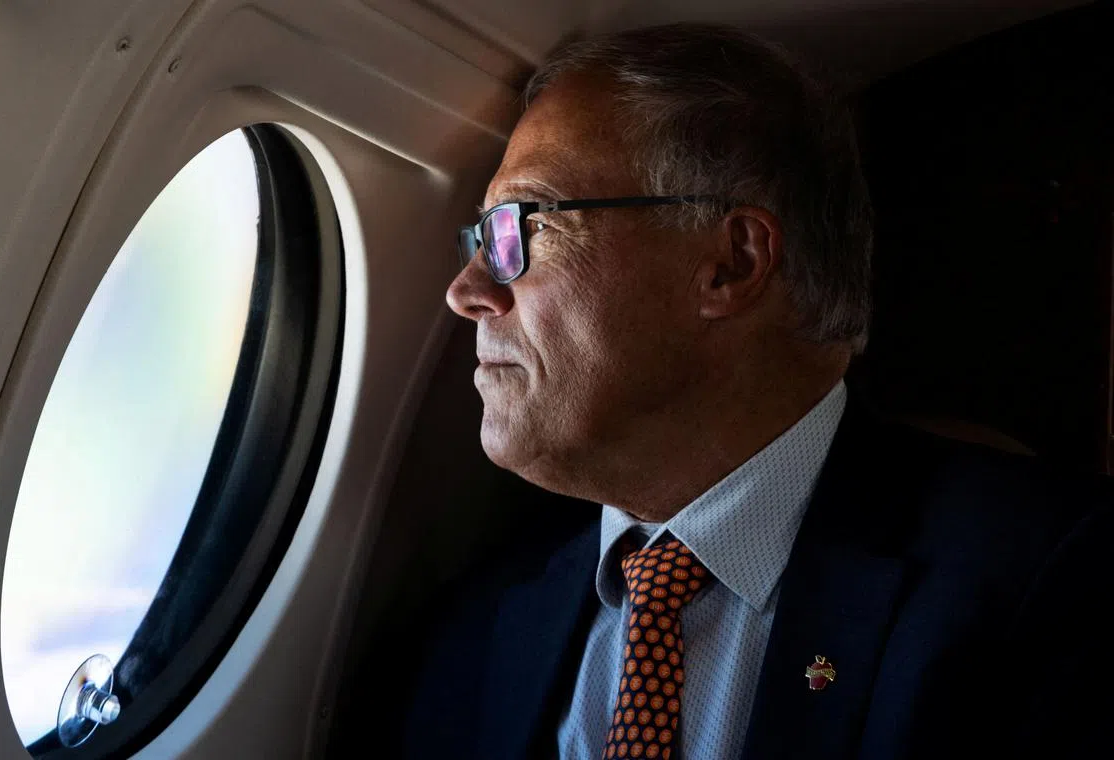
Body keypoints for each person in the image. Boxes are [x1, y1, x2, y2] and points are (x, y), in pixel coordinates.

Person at [385, 23, 1111, 760]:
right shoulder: (480, 627)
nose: (466, 291)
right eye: (479, 239)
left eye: (517, 229)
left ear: (731, 263)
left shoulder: (1051, 586)